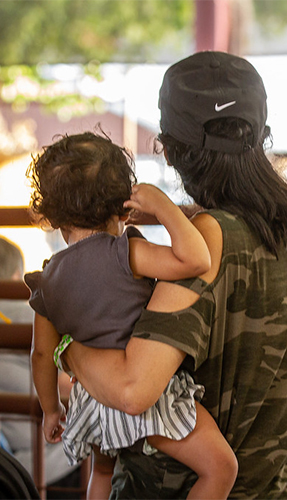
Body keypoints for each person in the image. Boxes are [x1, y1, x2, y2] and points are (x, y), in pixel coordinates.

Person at [59, 51, 287, 499]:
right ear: (261, 134)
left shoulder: (208, 240)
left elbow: (132, 390)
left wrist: (69, 351)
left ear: (173, 148)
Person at [24, 131, 237, 500]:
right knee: (221, 467)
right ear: (125, 208)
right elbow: (196, 259)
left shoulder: (46, 282)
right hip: (147, 399)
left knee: (101, 476)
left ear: (54, 216)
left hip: (92, 403)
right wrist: (163, 206)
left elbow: (42, 355)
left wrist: (51, 410)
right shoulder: (125, 253)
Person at [0, 236, 80, 494]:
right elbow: (67, 383)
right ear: (15, 276)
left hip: (10, 462)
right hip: (49, 458)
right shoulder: (23, 315)